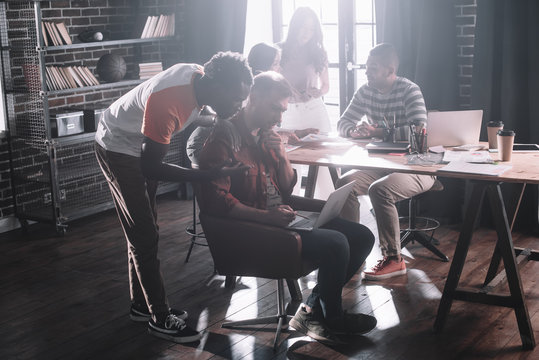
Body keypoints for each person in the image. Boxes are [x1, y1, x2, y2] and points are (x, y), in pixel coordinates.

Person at [198, 71, 377, 345]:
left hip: (280, 220)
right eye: (274, 108)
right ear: (253, 98)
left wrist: (281, 156)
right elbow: (217, 204)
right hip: (253, 230)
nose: (280, 118)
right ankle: (332, 318)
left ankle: (311, 310)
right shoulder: (224, 140)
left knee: (363, 236)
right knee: (336, 243)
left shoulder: (268, 135)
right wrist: (267, 216)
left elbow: (286, 188)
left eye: (283, 110)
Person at [94, 51, 253, 343]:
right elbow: (151, 166)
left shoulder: (199, 76)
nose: (238, 106)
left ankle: (142, 305)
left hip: (139, 144)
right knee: (144, 234)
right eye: (235, 99)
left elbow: (200, 111)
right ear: (217, 88)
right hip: (118, 146)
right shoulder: (169, 103)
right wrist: (208, 175)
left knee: (144, 229)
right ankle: (159, 316)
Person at [335, 43, 436, 280]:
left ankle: (394, 259)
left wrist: (378, 132)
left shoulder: (409, 90)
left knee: (379, 190)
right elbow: (342, 122)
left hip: (418, 166)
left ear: (390, 71)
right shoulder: (365, 91)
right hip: (382, 165)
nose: (367, 72)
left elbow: (419, 130)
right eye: (367, 67)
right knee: (344, 183)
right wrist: (354, 132)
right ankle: (353, 250)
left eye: (373, 68)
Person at [278, 7, 333, 199]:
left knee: (324, 162)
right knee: (290, 163)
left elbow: (326, 86)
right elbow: (271, 83)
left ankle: (330, 206)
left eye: (310, 29)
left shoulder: (319, 53)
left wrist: (318, 91)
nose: (306, 33)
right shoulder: (280, 51)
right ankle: (292, 208)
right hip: (289, 111)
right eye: (302, 27)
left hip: (314, 110)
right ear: (294, 27)